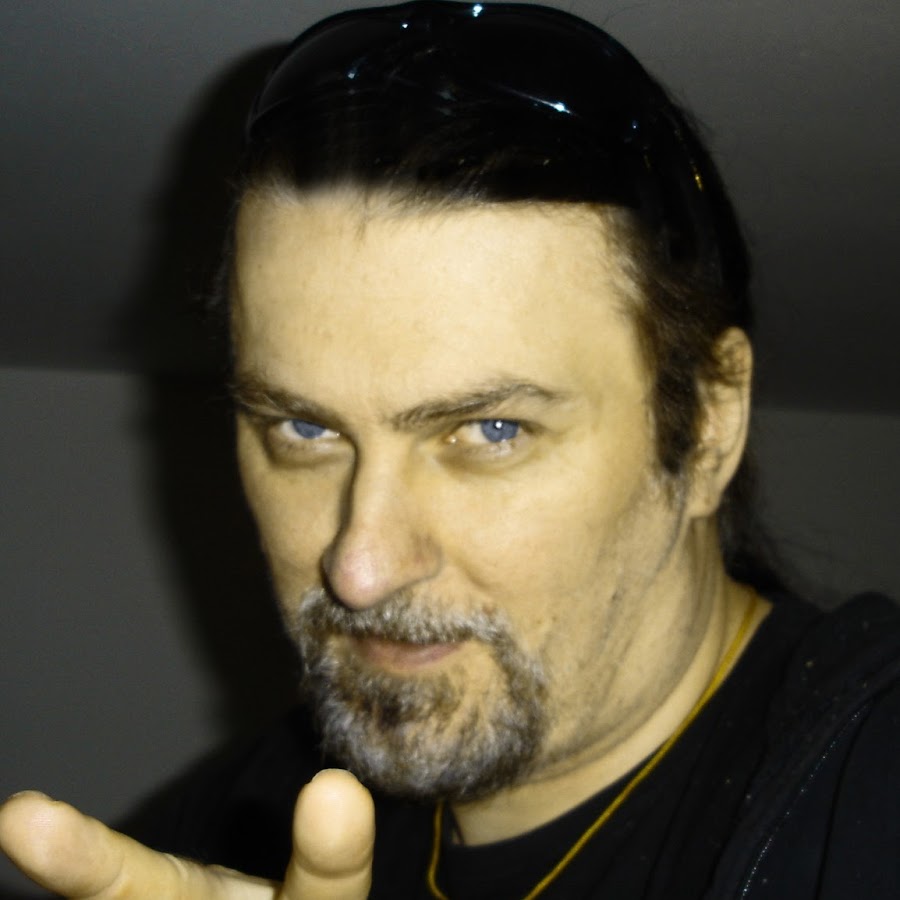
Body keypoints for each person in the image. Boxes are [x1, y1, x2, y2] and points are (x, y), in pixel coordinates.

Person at [2, 2, 898, 897]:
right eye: (305, 428)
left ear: (706, 428)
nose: (360, 571)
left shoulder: (864, 784)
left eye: (490, 431)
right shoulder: (215, 834)